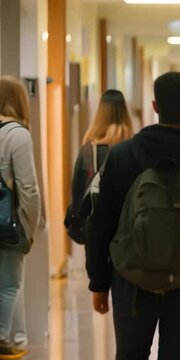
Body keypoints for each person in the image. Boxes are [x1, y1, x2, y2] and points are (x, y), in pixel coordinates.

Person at [86, 72, 180, 360]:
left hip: (130, 280)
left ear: (154, 106)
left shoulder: (121, 157)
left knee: (130, 354)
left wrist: (99, 282)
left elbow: (100, 223)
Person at [0, 76, 43, 358]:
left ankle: (16, 338)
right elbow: (28, 189)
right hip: (7, 224)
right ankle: (3, 337)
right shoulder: (17, 134)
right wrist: (31, 226)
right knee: (10, 284)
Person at [65, 90, 134, 244]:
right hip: (128, 228)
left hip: (96, 228)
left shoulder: (90, 150)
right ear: (125, 112)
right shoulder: (134, 148)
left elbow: (78, 192)